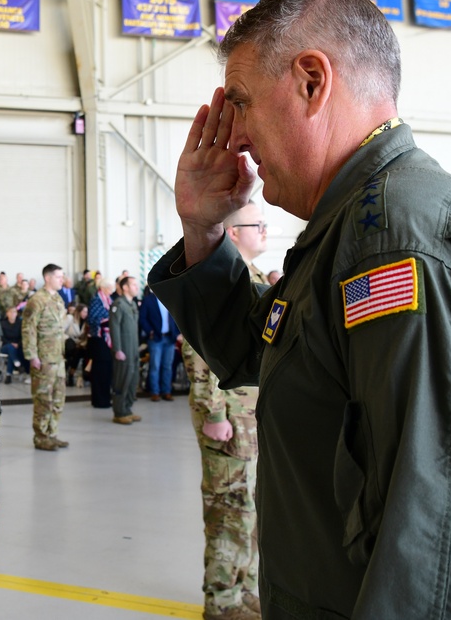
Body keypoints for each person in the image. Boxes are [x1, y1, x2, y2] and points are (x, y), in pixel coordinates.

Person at [148, 0, 451, 618]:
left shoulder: (395, 244)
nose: (239, 138)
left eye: (244, 103)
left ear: (312, 81)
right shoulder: (354, 229)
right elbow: (261, 352)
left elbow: (447, 553)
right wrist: (203, 228)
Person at [183, 202, 269, 620]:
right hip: (229, 423)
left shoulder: (247, 278)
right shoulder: (222, 282)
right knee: (228, 514)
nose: (265, 230)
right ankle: (221, 602)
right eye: (257, 225)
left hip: (249, 422)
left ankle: (244, 588)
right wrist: (213, 413)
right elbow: (200, 349)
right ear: (233, 234)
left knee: (248, 512)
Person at [22, 264, 68, 450]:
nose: (61, 280)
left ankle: (52, 434)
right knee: (43, 400)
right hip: (44, 359)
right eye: (58, 277)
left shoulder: (58, 299)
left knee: (58, 399)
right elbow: (28, 328)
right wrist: (32, 356)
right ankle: (41, 437)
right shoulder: (36, 300)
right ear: (48, 278)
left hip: (58, 358)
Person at [139, 286, 179, 401]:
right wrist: (149, 331)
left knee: (167, 366)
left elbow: (176, 318)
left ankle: (166, 391)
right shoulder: (148, 300)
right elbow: (142, 318)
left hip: (169, 338)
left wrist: (176, 333)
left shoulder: (170, 300)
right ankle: (155, 392)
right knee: (155, 366)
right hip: (155, 338)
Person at [109, 275, 141, 425]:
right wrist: (118, 349)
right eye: (133, 285)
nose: (137, 287)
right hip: (123, 349)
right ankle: (119, 412)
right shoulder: (118, 304)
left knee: (133, 380)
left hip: (133, 348)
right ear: (125, 287)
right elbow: (114, 328)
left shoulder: (132, 304)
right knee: (122, 380)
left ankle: (127, 409)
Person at [86, 279, 114, 408]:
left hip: (107, 339)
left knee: (107, 370)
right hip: (98, 339)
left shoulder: (109, 299)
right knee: (99, 371)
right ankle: (99, 400)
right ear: (103, 288)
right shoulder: (96, 300)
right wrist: (109, 318)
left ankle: (106, 397)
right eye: (110, 288)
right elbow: (93, 318)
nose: (111, 291)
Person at [0, 305, 28, 384]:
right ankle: (18, 365)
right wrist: (11, 343)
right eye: (10, 312)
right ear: (7, 313)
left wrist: (18, 344)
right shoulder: (2, 323)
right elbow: (2, 337)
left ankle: (9, 374)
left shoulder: (20, 323)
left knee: (12, 352)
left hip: (18, 346)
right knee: (10, 348)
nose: (12, 314)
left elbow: (23, 336)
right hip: (6, 346)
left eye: (14, 312)